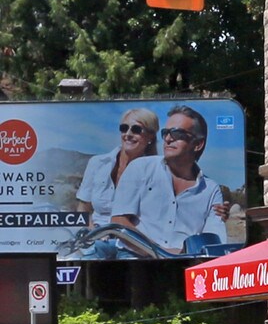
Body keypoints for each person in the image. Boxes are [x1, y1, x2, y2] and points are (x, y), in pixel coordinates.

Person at [111, 105, 228, 255]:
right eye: (165, 133)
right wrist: (160, 252)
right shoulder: (140, 168)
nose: (168, 138)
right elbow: (118, 221)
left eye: (177, 133)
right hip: (134, 260)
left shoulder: (211, 190)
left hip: (186, 262)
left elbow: (213, 241)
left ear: (198, 144)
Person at [75, 109, 158, 229]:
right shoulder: (98, 163)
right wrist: (93, 234)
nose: (128, 134)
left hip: (133, 241)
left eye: (136, 129)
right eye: (124, 128)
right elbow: (83, 208)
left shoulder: (156, 172)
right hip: (95, 236)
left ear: (150, 136)